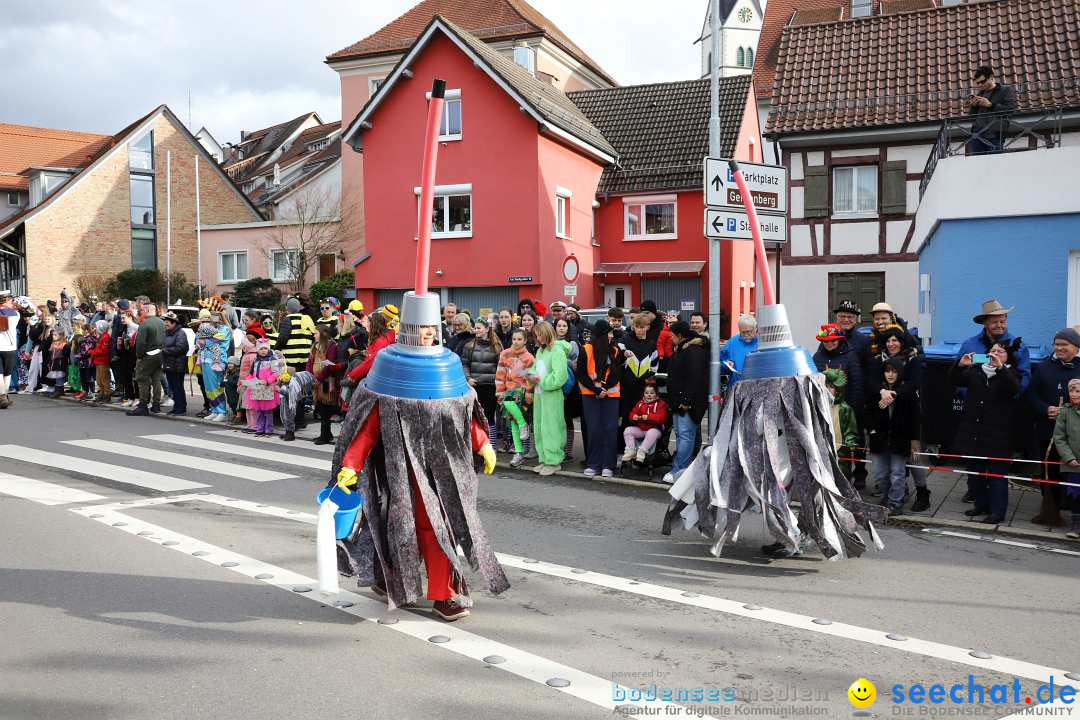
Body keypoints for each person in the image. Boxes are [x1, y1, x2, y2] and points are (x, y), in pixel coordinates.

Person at [332, 314, 505, 622]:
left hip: (445, 470)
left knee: (439, 528)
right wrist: (351, 463)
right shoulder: (390, 365)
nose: (427, 334)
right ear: (408, 331)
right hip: (401, 471)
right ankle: (390, 579)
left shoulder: (446, 364)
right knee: (401, 527)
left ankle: (444, 594)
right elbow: (370, 425)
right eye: (420, 328)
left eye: (430, 328)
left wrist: (484, 443)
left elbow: (461, 411)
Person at [951, 338, 1023, 524]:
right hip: (975, 432)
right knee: (977, 473)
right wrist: (960, 365)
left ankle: (997, 512)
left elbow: (1014, 389)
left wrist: (1001, 368)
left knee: (997, 475)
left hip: (999, 435)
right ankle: (981, 505)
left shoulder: (1011, 373)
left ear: (1008, 357)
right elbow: (954, 379)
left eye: (1000, 352)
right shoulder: (976, 371)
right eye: (992, 350)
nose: (994, 354)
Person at [1024, 328, 1080, 526]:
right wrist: (1045, 409)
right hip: (1048, 431)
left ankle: (1075, 514)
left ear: (1075, 346)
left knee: (1074, 472)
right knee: (1050, 471)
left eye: (1064, 345)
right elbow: (1030, 395)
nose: (1059, 349)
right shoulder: (1045, 368)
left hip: (1075, 435)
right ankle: (1051, 510)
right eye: (1056, 345)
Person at [866, 357, 917, 513]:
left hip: (899, 439)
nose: (890, 374)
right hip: (879, 439)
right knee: (880, 474)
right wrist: (871, 431)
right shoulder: (876, 390)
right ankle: (888, 496)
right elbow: (868, 412)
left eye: (894, 371)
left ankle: (895, 502)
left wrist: (915, 440)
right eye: (887, 371)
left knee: (897, 473)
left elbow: (915, 417)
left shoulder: (906, 391)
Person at [576, 319, 622, 478]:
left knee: (610, 429)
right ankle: (593, 463)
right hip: (590, 395)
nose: (611, 335)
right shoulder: (586, 349)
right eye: (609, 333)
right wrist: (596, 389)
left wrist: (605, 388)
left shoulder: (615, 350)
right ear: (602, 335)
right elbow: (581, 374)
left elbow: (616, 373)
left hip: (611, 395)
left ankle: (608, 465)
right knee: (594, 429)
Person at [665, 320, 709, 482]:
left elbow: (695, 378)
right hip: (679, 402)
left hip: (687, 403)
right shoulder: (683, 349)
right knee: (682, 435)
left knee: (685, 436)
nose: (670, 338)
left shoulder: (693, 351)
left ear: (680, 335)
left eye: (672, 335)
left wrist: (686, 400)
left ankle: (679, 470)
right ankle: (681, 469)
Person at [957, 299, 1030, 395]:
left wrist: (1012, 400)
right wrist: (969, 397)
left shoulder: (1018, 347)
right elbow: (958, 375)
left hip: (1005, 406)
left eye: (1003, 322)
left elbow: (1024, 378)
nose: (999, 325)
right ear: (985, 323)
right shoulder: (969, 345)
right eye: (994, 322)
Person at [528, 321, 568, 476]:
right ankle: (545, 458)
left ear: (547, 333)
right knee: (539, 426)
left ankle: (554, 461)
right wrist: (530, 374)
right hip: (540, 394)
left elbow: (560, 377)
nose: (537, 338)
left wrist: (541, 381)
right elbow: (536, 368)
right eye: (536, 335)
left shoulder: (557, 351)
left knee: (552, 427)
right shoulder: (541, 351)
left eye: (539, 334)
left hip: (551, 395)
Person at [812, 323, 864, 430]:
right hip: (823, 408)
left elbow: (856, 385)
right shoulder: (817, 356)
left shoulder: (850, 355)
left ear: (839, 340)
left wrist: (851, 410)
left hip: (844, 408)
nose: (829, 343)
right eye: (826, 341)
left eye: (833, 340)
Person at [460, 317, 502, 445]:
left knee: (489, 417)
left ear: (486, 329)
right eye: (475, 328)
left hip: (490, 387)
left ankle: (492, 445)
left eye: (479, 328)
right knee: (475, 418)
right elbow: (464, 364)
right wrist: (468, 378)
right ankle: (478, 446)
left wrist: (499, 383)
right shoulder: (469, 345)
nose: (476, 330)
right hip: (475, 386)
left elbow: (501, 366)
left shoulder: (496, 346)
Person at [496, 328, 535, 468]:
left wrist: (529, 394)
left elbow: (530, 377)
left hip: (522, 391)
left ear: (525, 341)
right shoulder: (505, 354)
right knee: (513, 422)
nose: (516, 342)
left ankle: (522, 426)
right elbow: (500, 374)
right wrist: (499, 391)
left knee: (512, 409)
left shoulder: (529, 357)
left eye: (519, 339)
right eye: (514, 339)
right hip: (508, 390)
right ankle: (518, 453)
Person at [1052, 378, 1080, 539]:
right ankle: (1076, 525)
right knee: (1076, 494)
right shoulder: (1065, 412)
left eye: (1077, 390)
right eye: (1072, 390)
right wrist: (1069, 458)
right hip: (1073, 463)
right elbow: (1059, 437)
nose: (1074, 394)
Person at [967, 64, 1017, 155]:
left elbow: (1010, 110)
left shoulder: (1005, 90)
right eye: (978, 83)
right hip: (977, 136)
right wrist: (973, 106)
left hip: (995, 135)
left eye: (983, 81)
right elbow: (972, 117)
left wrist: (990, 105)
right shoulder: (980, 93)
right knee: (977, 166)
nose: (980, 85)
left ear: (991, 77)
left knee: (995, 165)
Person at [555, 316, 585, 460]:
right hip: (553, 386)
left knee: (567, 418)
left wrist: (560, 359)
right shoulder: (550, 342)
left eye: (564, 326)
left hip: (568, 385)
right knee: (556, 419)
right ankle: (557, 448)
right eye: (559, 325)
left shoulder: (572, 343)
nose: (561, 328)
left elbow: (575, 363)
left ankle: (568, 451)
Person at [308, 325, 344, 445]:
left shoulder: (331, 346)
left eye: (316, 333)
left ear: (323, 334)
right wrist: (309, 375)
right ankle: (325, 434)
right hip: (316, 381)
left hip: (326, 382)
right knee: (319, 406)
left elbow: (330, 365)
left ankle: (325, 435)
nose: (314, 335)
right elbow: (310, 361)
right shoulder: (315, 346)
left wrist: (318, 378)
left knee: (326, 408)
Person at [127, 303, 165, 416]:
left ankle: (143, 405)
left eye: (143, 310)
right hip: (160, 353)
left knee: (142, 378)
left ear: (147, 310)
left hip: (148, 355)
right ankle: (156, 405)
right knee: (156, 379)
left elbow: (140, 343)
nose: (141, 312)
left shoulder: (145, 324)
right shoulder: (161, 322)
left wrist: (139, 356)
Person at [824, 369, 860, 482]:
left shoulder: (845, 409)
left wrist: (851, 440)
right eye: (826, 386)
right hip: (824, 447)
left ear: (838, 389)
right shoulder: (820, 406)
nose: (828, 390)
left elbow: (851, 428)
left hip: (841, 449)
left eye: (831, 387)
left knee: (842, 475)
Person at [622, 380, 668, 463]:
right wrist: (634, 417)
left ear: (656, 394)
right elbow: (632, 413)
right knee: (628, 430)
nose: (649, 395)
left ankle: (642, 451)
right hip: (641, 429)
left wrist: (648, 417)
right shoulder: (640, 403)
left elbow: (661, 418)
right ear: (644, 394)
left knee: (651, 432)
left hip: (655, 429)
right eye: (646, 393)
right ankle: (631, 450)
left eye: (652, 393)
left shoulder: (661, 404)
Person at [196, 316, 230, 422]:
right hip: (206, 361)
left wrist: (204, 340)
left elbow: (219, 341)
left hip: (217, 362)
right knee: (208, 388)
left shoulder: (225, 329)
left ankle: (222, 411)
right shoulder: (208, 328)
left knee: (216, 388)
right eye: (213, 317)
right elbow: (199, 339)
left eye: (217, 317)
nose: (214, 320)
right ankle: (214, 409)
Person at [245, 339, 280, 437]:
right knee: (259, 410)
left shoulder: (272, 359)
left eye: (265, 348)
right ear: (257, 350)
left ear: (268, 349)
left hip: (267, 387)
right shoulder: (256, 360)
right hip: (257, 387)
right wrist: (249, 380)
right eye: (261, 349)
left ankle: (268, 429)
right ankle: (260, 428)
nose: (263, 351)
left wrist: (268, 380)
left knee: (267, 410)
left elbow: (276, 373)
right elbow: (252, 373)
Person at [276, 296, 317, 372]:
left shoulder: (288, 320)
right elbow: (313, 336)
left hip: (290, 359)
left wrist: (276, 349)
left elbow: (282, 339)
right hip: (305, 358)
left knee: (291, 381)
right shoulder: (307, 319)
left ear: (287, 308)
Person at [159, 311, 189, 415]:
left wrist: (164, 350)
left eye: (167, 322)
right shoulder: (168, 333)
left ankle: (181, 408)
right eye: (165, 322)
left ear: (174, 323)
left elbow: (181, 348)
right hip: (169, 364)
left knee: (178, 387)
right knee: (173, 387)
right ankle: (177, 407)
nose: (165, 324)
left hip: (177, 365)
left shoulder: (180, 333)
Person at [718, 314, 759, 386]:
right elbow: (720, 363)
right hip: (736, 388)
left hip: (756, 387)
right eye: (743, 332)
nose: (746, 335)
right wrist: (726, 365)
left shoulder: (762, 343)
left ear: (755, 329)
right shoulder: (732, 343)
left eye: (748, 331)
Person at [110, 300, 138, 404]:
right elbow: (116, 337)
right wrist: (118, 345)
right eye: (121, 318)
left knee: (132, 377)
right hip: (124, 354)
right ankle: (128, 397)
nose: (121, 320)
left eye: (123, 318)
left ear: (129, 317)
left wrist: (127, 341)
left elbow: (135, 342)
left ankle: (135, 397)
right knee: (125, 376)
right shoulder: (124, 328)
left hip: (132, 355)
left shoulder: (135, 328)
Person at [0, 291, 18, 408]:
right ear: (6, 300)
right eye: (11, 300)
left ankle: (2, 396)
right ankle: (4, 395)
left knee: (1, 373)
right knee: (7, 373)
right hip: (10, 347)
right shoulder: (16, 314)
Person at [90, 320, 112, 403]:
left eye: (97, 326)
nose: (95, 328)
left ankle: (107, 394)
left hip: (103, 361)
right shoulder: (101, 336)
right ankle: (102, 393)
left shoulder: (105, 337)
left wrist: (92, 352)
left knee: (104, 379)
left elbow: (103, 350)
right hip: (98, 361)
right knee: (99, 379)